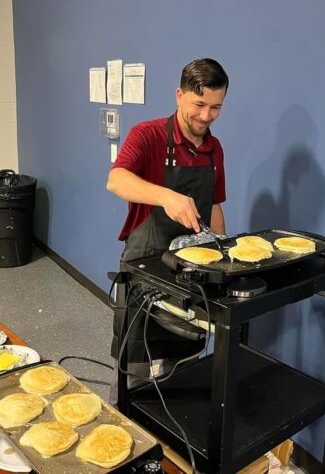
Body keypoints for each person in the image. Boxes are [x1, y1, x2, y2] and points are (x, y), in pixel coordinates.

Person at [106, 58, 229, 404]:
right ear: (179, 95)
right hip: (146, 271)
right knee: (136, 371)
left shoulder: (214, 150)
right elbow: (116, 180)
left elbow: (215, 206)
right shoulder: (148, 135)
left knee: (184, 369)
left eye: (216, 108)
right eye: (199, 105)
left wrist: (222, 258)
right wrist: (166, 197)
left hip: (190, 278)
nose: (206, 116)